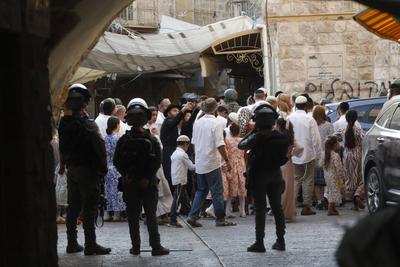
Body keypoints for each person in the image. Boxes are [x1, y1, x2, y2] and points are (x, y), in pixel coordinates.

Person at [58, 83, 111, 255]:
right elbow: (99, 148)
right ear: (83, 104)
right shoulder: (88, 125)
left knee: (73, 208)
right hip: (88, 171)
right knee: (89, 208)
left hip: (72, 170)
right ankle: (90, 244)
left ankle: (71, 243)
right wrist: (103, 169)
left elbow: (63, 148)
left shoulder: (63, 124)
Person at [113, 98, 169, 256]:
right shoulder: (152, 139)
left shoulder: (124, 140)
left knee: (133, 217)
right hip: (148, 183)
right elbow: (158, 160)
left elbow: (117, 161)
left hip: (130, 183)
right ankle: (155, 246)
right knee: (151, 216)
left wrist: (126, 175)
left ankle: (136, 246)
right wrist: (147, 177)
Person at [239, 104, 291, 252]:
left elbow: (241, 145)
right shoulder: (281, 138)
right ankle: (281, 240)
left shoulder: (256, 138)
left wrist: (253, 132)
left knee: (260, 209)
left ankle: (259, 242)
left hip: (259, 175)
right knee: (277, 208)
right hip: (275, 174)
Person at [186, 98, 236, 227]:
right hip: (212, 161)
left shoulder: (197, 122)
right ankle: (220, 218)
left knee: (201, 190)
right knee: (217, 191)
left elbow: (194, 142)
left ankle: (193, 215)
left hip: (200, 160)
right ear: (214, 109)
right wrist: (226, 159)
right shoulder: (216, 123)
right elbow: (220, 144)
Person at [287, 96, 322, 216]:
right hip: (308, 154)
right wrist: (318, 154)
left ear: (296, 105)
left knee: (295, 180)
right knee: (308, 180)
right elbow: (316, 139)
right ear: (306, 106)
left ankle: (291, 205)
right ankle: (307, 206)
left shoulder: (289, 118)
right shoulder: (309, 119)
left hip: (293, 154)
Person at [336, 110, 365, 211]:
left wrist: (340, 145)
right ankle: (357, 196)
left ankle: (353, 200)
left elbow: (332, 137)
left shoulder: (342, 130)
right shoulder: (359, 130)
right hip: (358, 155)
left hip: (347, 155)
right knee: (360, 178)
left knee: (350, 178)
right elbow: (364, 141)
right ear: (356, 118)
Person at [275, 118, 303, 223]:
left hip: (278, 164)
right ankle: (287, 213)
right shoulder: (290, 136)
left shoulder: (276, 137)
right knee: (288, 189)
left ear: (278, 125)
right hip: (288, 163)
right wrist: (291, 154)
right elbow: (300, 148)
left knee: (278, 189)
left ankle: (279, 212)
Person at [160, 103, 194, 189]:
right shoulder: (168, 121)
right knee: (171, 175)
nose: (177, 112)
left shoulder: (174, 124)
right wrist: (183, 110)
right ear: (168, 113)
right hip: (168, 152)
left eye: (178, 111)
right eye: (174, 110)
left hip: (173, 150)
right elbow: (174, 122)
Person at [170, 135, 195, 227]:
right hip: (180, 180)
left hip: (177, 179)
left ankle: (192, 216)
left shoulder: (175, 153)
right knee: (177, 200)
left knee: (185, 201)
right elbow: (191, 167)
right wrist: (201, 164)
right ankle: (173, 219)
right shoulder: (183, 154)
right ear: (185, 144)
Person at [104, 117, 126, 222]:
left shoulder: (104, 138)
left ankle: (107, 213)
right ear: (117, 125)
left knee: (108, 191)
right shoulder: (117, 138)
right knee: (117, 191)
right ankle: (117, 214)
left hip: (107, 167)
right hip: (116, 167)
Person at [313, 105, 334, 210]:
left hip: (315, 154)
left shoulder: (312, 125)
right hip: (326, 153)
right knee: (326, 178)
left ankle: (319, 200)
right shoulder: (329, 125)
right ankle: (326, 197)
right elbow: (332, 139)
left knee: (317, 180)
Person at [224, 124, 247, 218]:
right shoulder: (243, 140)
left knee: (230, 188)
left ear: (230, 131)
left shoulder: (227, 140)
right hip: (241, 164)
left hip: (231, 164)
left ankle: (227, 211)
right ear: (238, 131)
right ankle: (243, 211)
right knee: (242, 187)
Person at [323, 135, 344, 216]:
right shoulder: (335, 155)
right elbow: (339, 168)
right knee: (334, 192)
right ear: (334, 145)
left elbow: (321, 164)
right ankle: (330, 208)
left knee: (330, 191)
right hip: (334, 177)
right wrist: (341, 177)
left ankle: (333, 208)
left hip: (327, 176)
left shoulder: (324, 154)